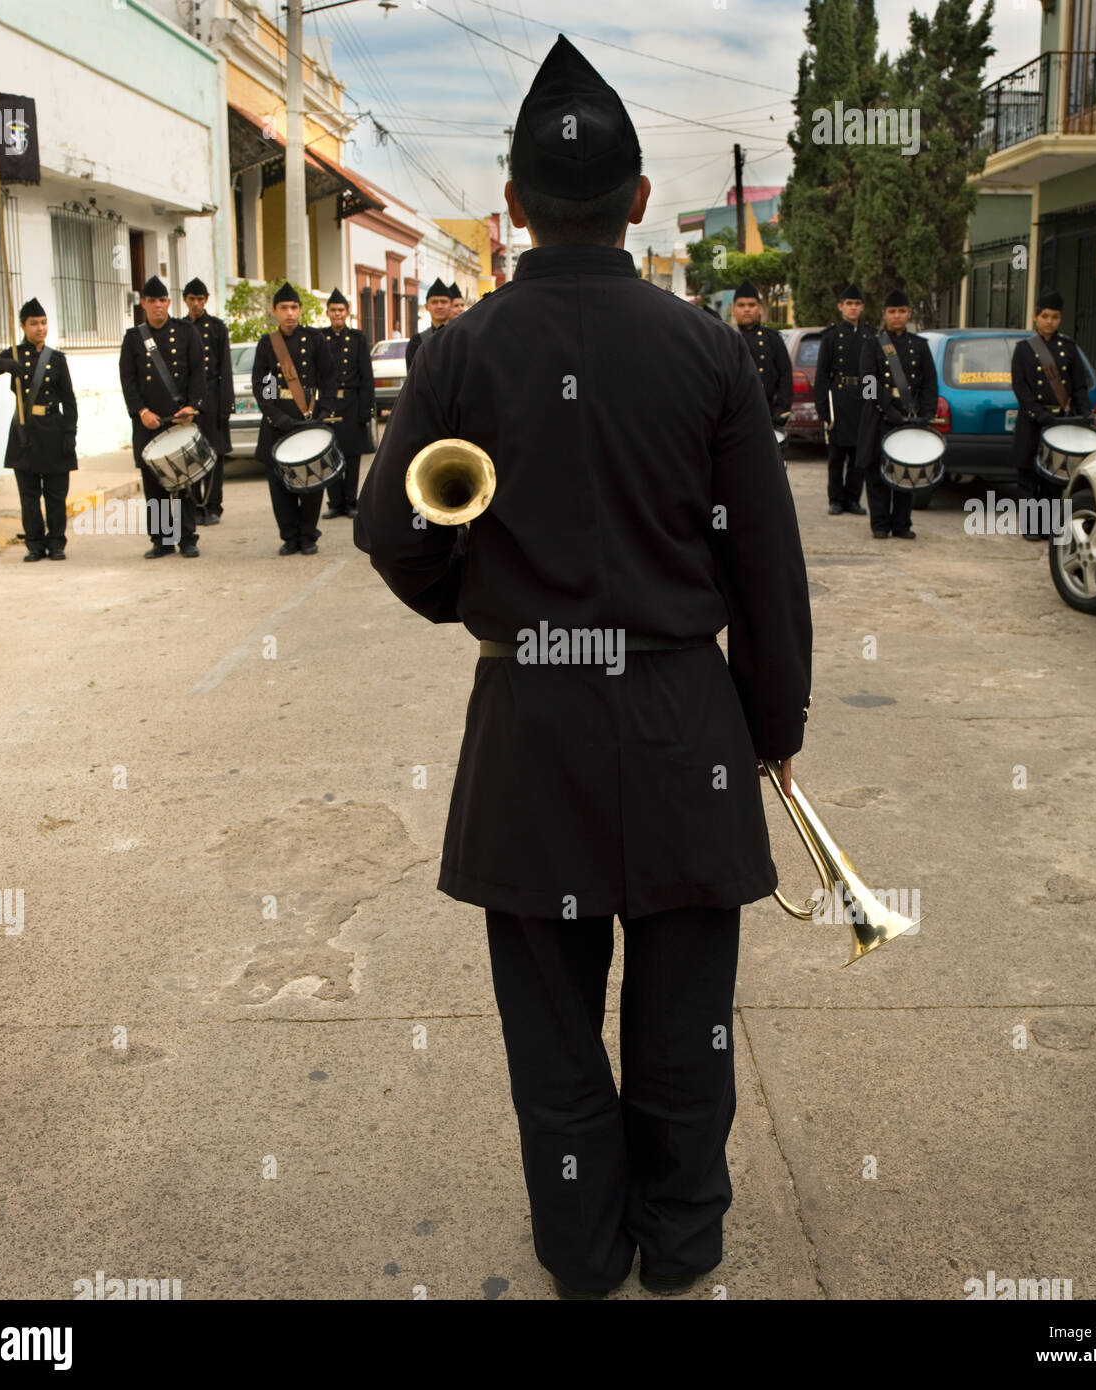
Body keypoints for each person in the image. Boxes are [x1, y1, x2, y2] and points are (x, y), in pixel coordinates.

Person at [355, 33, 811, 1301]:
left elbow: (393, 536)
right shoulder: (713, 352)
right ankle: (683, 1244)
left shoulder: (454, 353)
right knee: (686, 1018)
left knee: (551, 1026)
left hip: (531, 726)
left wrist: (475, 606)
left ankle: (579, 1251)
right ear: (641, 204)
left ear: (510, 208)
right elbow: (768, 570)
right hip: (684, 724)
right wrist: (771, 724)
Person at [0, 296, 77, 562]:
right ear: (23, 326)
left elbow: (69, 400)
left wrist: (70, 433)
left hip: (53, 430)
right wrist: (1, 364)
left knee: (55, 493)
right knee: (29, 494)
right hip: (25, 430)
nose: (40, 328)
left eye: (44, 323)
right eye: (34, 324)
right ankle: (34, 545)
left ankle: (56, 543)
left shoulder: (56, 359)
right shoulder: (14, 354)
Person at [118, 275, 205, 557]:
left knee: (184, 481)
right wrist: (141, 412)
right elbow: (128, 380)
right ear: (143, 304)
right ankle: (162, 540)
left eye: (162, 300)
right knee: (154, 485)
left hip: (180, 419)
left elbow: (198, 373)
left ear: (169, 302)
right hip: (148, 422)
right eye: (151, 301)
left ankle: (187, 537)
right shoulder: (133, 338)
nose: (158, 305)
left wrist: (192, 406)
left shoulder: (185, 331)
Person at [251, 282, 338, 556]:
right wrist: (276, 416)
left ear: (300, 310)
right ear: (274, 311)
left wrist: (323, 412)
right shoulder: (267, 344)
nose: (289, 313)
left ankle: (308, 535)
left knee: (312, 483)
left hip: (308, 419)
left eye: (293, 308)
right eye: (284, 308)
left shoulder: (314, 339)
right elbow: (263, 385)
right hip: (279, 424)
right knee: (279, 486)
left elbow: (329, 377)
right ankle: (289, 536)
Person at [1009, 289, 1090, 542]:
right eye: (1045, 316)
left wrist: (1084, 411)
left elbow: (1078, 385)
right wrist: (1038, 412)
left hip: (1061, 423)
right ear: (1036, 317)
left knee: (1054, 480)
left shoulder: (1069, 348)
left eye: (1055, 317)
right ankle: (1032, 527)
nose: (1049, 321)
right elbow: (1020, 387)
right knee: (1028, 477)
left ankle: (1052, 527)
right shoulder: (1023, 350)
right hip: (1033, 422)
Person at [858, 288, 936, 540]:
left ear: (909, 313)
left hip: (910, 415)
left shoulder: (920, 346)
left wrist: (926, 413)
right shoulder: (873, 344)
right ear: (885, 314)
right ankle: (880, 524)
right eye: (892, 312)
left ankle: (902, 524)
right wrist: (887, 408)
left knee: (906, 470)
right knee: (877, 472)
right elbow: (868, 383)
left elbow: (929, 383)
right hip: (880, 415)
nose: (897, 316)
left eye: (902, 311)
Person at [813, 282, 871, 516]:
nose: (853, 308)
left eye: (857, 304)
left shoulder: (870, 335)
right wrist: (824, 411)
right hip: (838, 399)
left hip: (862, 400)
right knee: (836, 457)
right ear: (840, 307)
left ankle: (853, 499)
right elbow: (822, 376)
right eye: (849, 304)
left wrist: (873, 403)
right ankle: (835, 499)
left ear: (862, 307)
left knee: (859, 457)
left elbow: (873, 374)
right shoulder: (831, 337)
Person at [181, 276, 234, 526]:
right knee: (191, 455)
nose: (196, 304)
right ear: (185, 300)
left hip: (213, 396)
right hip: (189, 399)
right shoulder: (179, 328)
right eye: (192, 299)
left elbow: (225, 367)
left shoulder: (216, 327)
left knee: (214, 455)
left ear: (206, 300)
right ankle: (195, 506)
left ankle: (213, 506)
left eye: (200, 299)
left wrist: (226, 405)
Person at [319, 288, 375, 520]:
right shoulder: (319, 338)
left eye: (341, 310)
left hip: (352, 403)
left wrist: (366, 410)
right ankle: (335, 503)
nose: (337, 314)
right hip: (328, 404)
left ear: (347, 312)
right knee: (329, 455)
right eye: (333, 310)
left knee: (351, 457)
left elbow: (367, 377)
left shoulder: (358, 338)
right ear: (328, 312)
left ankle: (351, 502)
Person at [730, 279, 792, 431]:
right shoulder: (726, 338)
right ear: (733, 310)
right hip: (733, 415)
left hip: (766, 412)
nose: (747, 309)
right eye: (741, 305)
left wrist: (781, 409)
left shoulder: (772, 339)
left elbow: (785, 375)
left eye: (751, 305)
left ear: (760, 309)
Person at [405, 279, 452, 369]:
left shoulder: (462, 337)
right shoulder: (417, 342)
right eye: (434, 302)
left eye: (444, 302)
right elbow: (413, 378)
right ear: (426, 306)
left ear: (451, 305)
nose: (439, 306)